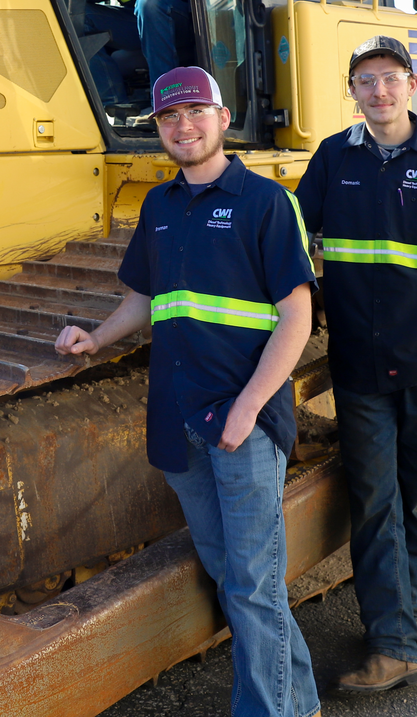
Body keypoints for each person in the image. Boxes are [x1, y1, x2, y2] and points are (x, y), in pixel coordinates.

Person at [55, 65, 321, 717]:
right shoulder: (160, 206)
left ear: (223, 118)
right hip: (179, 422)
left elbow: (298, 316)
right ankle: (301, 700)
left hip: (242, 423)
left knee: (255, 584)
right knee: (234, 577)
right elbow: (144, 297)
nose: (183, 126)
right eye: (169, 118)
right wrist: (96, 336)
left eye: (195, 112)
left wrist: (250, 407)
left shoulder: (264, 202)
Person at [293, 36, 417, 693]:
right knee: (375, 501)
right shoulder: (332, 159)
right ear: (351, 92)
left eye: (389, 79)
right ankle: (394, 641)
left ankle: (399, 631)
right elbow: (295, 237)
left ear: (411, 86)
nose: (377, 91)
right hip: (358, 366)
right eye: (364, 81)